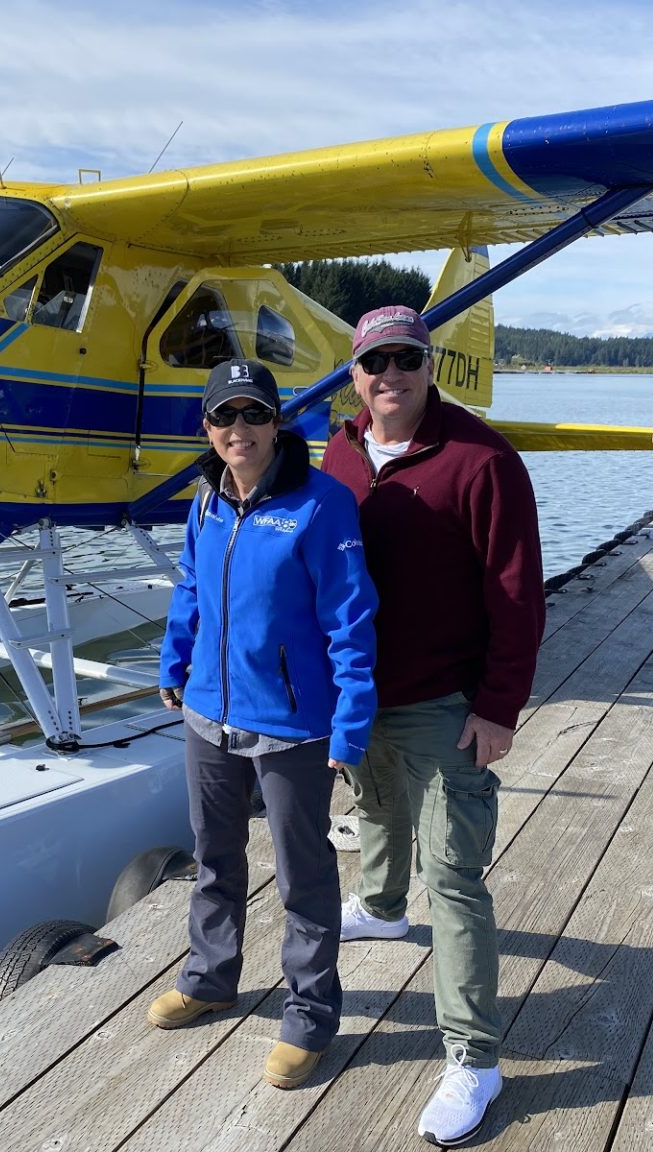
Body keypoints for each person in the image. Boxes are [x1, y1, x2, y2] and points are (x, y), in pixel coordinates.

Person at [322, 306, 544, 1146]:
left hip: (448, 703)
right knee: (375, 807)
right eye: (374, 361)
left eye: (405, 359)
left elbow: (518, 592)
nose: (390, 376)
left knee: (454, 879)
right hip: (362, 696)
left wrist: (498, 706)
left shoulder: (482, 460)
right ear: (354, 375)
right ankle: (380, 907)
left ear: (428, 365)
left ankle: (474, 1057)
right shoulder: (341, 454)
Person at [150, 357, 378, 1091]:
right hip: (208, 716)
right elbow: (190, 586)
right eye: (224, 416)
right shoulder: (206, 500)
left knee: (303, 875)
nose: (238, 429)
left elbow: (351, 621)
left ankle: (311, 1012)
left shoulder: (322, 504)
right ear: (208, 428)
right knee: (213, 857)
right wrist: (173, 663)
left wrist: (349, 728)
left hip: (293, 726)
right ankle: (211, 977)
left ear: (278, 423)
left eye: (254, 414)